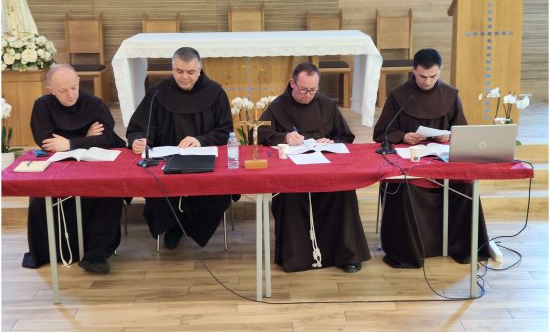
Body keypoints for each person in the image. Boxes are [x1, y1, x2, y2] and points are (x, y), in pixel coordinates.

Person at [373, 48, 490, 268]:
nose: (427, 81)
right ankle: (411, 250)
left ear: (440, 71)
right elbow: (381, 133)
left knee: (466, 185)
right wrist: (403, 136)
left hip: (442, 158)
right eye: (422, 76)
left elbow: (462, 131)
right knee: (403, 188)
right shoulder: (399, 96)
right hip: (409, 161)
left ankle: (462, 248)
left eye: (433, 76)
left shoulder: (450, 95)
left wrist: (450, 136)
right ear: (413, 71)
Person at [256, 62, 371, 273]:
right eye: (303, 90)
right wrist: (284, 137)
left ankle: (348, 255)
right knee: (288, 197)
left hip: (326, 170)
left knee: (344, 191)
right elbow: (259, 135)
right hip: (291, 173)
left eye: (313, 90)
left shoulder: (327, 105)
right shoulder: (277, 107)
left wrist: (331, 141)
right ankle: (297, 257)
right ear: (292, 84)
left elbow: (345, 136)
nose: (308, 95)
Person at [23, 64, 126, 274]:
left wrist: (70, 143)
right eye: (63, 91)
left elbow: (106, 138)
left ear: (78, 82)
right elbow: (47, 142)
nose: (70, 95)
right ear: (51, 90)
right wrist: (87, 138)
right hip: (58, 167)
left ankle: (96, 253)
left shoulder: (95, 104)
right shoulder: (42, 106)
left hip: (95, 166)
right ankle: (57, 251)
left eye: (74, 88)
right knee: (40, 200)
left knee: (109, 193)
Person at [126, 47, 233, 250]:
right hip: (166, 161)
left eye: (190, 72)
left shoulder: (216, 92)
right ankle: (173, 226)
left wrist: (201, 140)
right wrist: (140, 140)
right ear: (172, 68)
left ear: (200, 69)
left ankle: (187, 226)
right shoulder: (158, 92)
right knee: (155, 187)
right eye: (179, 71)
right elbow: (141, 127)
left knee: (219, 192)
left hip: (206, 161)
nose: (184, 77)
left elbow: (226, 131)